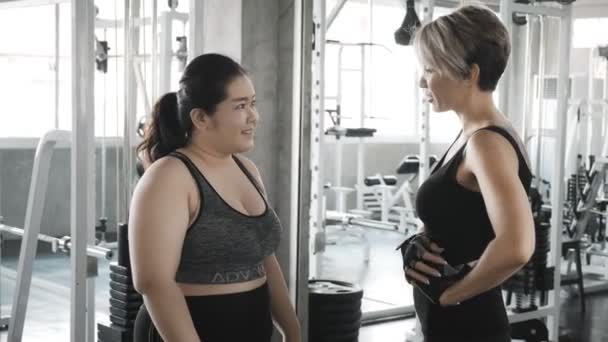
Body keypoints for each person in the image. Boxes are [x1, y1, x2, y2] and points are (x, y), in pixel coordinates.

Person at [129, 53, 301, 342]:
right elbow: (153, 282)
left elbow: (264, 255)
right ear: (200, 118)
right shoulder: (169, 176)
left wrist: (292, 330)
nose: (253, 116)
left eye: (253, 103)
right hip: (191, 330)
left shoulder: (247, 169)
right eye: (240, 106)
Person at [399, 5, 536, 342]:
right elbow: (465, 221)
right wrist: (422, 239)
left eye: (430, 69)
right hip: (448, 323)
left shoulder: (486, 143)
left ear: (469, 74)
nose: (421, 80)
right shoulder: (473, 134)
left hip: (468, 326)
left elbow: (517, 246)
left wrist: (452, 294)